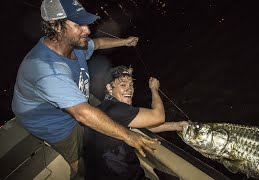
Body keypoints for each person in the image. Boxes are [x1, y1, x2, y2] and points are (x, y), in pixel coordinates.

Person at [11, 0, 158, 179]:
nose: (87, 30)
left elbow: (98, 44)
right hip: (53, 122)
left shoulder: (74, 43)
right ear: (56, 26)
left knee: (104, 119)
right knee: (84, 167)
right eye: (78, 24)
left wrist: (124, 42)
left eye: (86, 23)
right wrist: (127, 135)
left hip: (75, 96)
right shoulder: (47, 71)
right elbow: (81, 114)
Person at [84, 65, 189, 180]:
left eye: (131, 85)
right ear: (109, 88)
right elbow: (158, 116)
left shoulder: (103, 108)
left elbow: (145, 125)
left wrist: (176, 125)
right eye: (123, 85)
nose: (129, 89)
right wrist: (154, 89)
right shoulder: (117, 109)